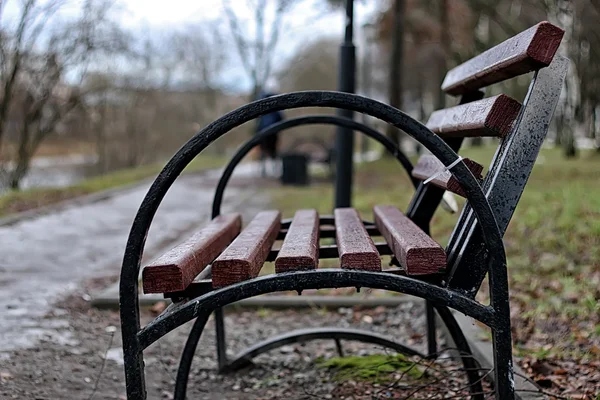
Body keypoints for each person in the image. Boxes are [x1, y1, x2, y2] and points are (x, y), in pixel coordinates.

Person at [255, 90, 284, 177]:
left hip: (263, 132)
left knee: (264, 151)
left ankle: (264, 170)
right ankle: (273, 170)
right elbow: (281, 118)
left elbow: (258, 122)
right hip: (273, 132)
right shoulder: (276, 107)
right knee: (272, 151)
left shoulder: (260, 108)